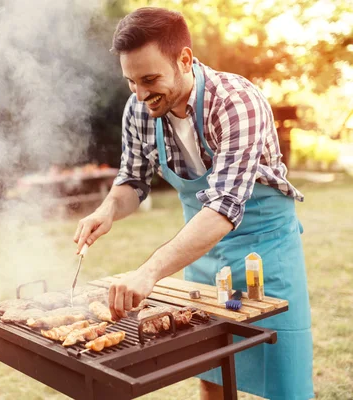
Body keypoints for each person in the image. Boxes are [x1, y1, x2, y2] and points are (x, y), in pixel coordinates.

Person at [74, 8, 313, 400]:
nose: (140, 93)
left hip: (265, 253)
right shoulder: (139, 109)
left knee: (284, 378)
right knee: (213, 373)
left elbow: (223, 208)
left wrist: (149, 272)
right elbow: (132, 181)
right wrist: (107, 210)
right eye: (131, 81)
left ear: (184, 59)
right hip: (200, 256)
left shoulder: (237, 103)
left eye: (150, 79)